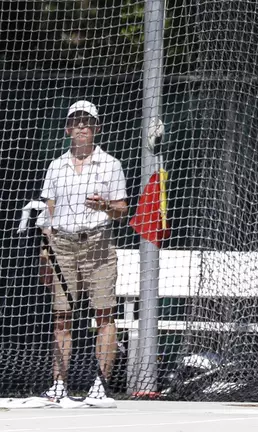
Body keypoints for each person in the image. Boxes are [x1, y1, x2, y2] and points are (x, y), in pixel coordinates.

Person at [39, 100, 128, 403]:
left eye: (87, 122)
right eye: (76, 122)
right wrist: (45, 250)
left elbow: (121, 209)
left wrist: (103, 205)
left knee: (103, 315)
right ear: (67, 129)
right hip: (62, 245)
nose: (81, 127)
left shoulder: (111, 164)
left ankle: (101, 385)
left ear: (96, 129)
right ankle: (58, 384)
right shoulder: (55, 166)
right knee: (62, 316)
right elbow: (48, 212)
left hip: (98, 243)